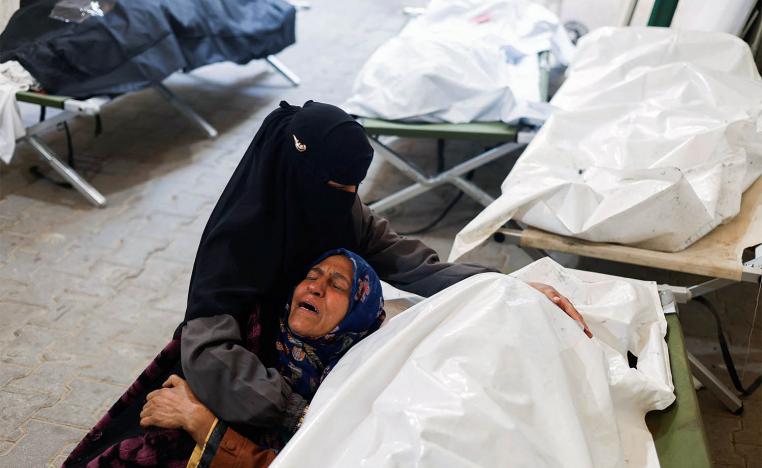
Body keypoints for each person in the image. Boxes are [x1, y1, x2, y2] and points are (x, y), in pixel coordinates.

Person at [64, 101, 589, 467]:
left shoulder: (339, 208)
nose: (345, 199)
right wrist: (286, 409)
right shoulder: (240, 239)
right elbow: (210, 351)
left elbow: (414, 264)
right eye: (336, 186)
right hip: (242, 370)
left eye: (352, 188)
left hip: (308, 357)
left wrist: (504, 290)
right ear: (300, 172)